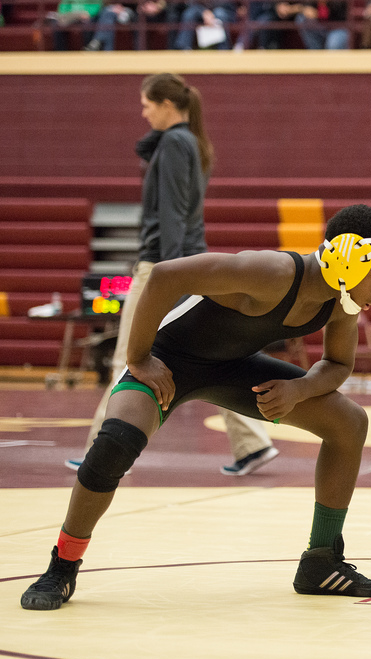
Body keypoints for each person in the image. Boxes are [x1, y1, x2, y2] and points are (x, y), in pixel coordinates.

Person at [21, 204, 371, 610]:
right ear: (348, 256)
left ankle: (321, 562)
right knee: (115, 443)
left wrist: (300, 389)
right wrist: (138, 358)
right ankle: (62, 566)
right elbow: (166, 275)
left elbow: (339, 364)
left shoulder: (340, 301)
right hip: (170, 362)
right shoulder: (271, 272)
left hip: (231, 369)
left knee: (349, 422)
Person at [66, 74, 279, 479]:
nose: (143, 112)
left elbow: (172, 216)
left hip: (164, 267)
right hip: (185, 264)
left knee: (129, 358)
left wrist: (171, 277)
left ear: (166, 104)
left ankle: (105, 453)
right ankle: (253, 444)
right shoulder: (184, 142)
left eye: (147, 104)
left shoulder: (175, 144)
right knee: (210, 358)